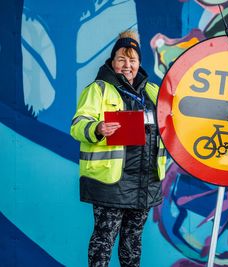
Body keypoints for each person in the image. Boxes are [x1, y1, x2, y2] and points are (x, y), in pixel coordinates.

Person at [70, 30, 166, 267]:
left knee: (133, 243)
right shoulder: (98, 90)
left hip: (146, 181)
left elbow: (171, 124)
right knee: (104, 241)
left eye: (132, 60)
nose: (127, 65)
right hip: (111, 182)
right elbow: (77, 125)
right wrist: (98, 128)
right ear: (112, 62)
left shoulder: (153, 92)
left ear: (139, 63)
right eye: (122, 59)